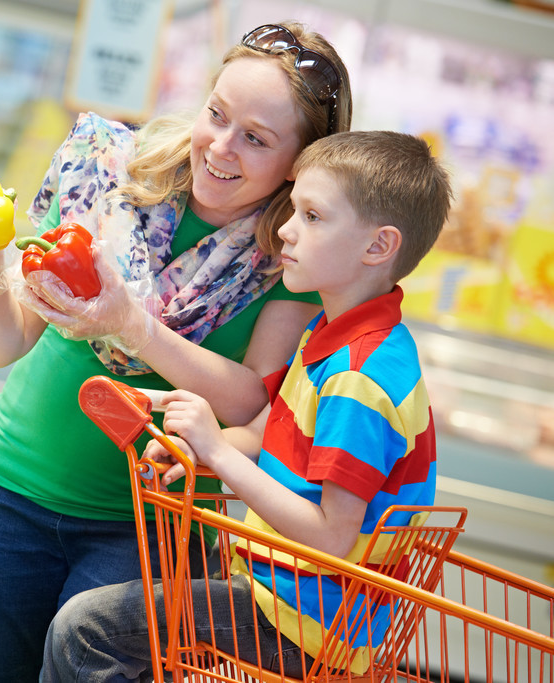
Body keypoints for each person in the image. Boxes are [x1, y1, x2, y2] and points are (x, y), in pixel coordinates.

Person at [0, 22, 353, 681]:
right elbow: (1, 342)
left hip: (147, 531)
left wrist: (132, 323)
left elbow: (250, 402)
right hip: (5, 491)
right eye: (216, 113)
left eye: (255, 138)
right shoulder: (100, 171)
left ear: (299, 165)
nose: (219, 144)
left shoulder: (290, 258)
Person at [39, 129, 454, 682]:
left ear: (378, 247)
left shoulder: (362, 377)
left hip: (306, 626)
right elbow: (268, 438)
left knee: (86, 630)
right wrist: (190, 437)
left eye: (312, 216)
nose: (284, 228)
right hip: (277, 593)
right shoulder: (333, 337)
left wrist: (216, 449)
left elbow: (332, 536)